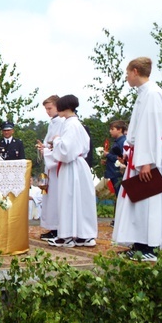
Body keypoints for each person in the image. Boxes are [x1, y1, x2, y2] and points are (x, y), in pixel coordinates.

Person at [112, 57, 162, 260]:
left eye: (127, 73)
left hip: (149, 155)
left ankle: (149, 248)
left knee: (149, 201)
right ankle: (139, 243)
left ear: (135, 71)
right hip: (142, 153)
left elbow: (151, 129)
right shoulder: (144, 93)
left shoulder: (153, 94)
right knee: (139, 202)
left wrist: (146, 161)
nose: (126, 77)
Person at [43, 95, 97, 247]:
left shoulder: (71, 124)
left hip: (72, 166)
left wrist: (56, 140)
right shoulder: (74, 123)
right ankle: (81, 234)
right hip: (77, 165)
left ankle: (67, 236)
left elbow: (66, 151)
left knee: (68, 199)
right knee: (79, 200)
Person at [36, 95, 63, 240]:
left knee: (56, 198)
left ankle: (58, 227)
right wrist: (44, 147)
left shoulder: (62, 122)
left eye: (49, 108)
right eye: (46, 109)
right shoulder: (52, 123)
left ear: (58, 106)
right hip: (50, 165)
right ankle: (52, 227)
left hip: (56, 166)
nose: (47, 111)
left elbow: (58, 143)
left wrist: (47, 148)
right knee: (49, 198)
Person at [103, 120, 127, 196]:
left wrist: (107, 155)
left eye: (112, 129)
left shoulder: (122, 142)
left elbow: (122, 158)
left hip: (118, 173)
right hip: (114, 173)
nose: (110, 131)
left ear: (119, 130)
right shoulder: (117, 142)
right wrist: (107, 161)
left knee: (120, 194)